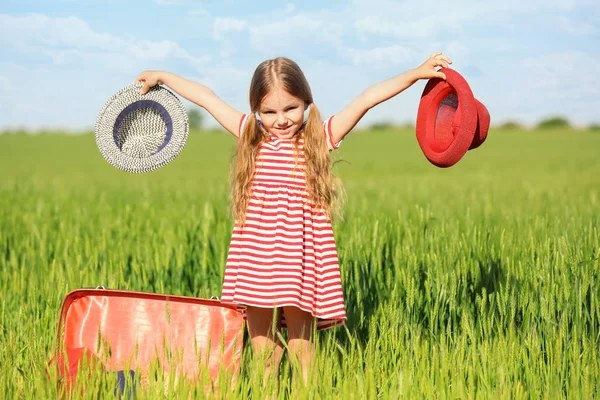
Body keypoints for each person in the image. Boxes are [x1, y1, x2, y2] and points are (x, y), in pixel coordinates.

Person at [135, 52, 451, 387]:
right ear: (257, 110)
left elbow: (367, 99)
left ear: (306, 102)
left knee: (303, 351)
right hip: (256, 258)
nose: (281, 119)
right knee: (263, 353)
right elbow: (206, 97)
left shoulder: (318, 138)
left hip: (299, 259)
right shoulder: (249, 135)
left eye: (291, 108)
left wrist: (416, 74)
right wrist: (162, 76)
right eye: (268, 112)